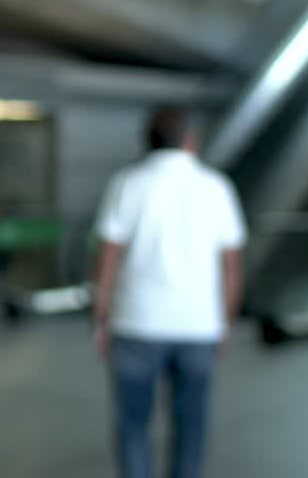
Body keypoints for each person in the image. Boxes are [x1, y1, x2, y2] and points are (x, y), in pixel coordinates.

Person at [92, 106, 245, 478]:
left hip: (135, 323)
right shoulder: (216, 186)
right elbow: (230, 263)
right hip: (198, 325)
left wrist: (101, 315)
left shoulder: (127, 183)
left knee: (132, 425)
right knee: (191, 427)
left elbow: (108, 256)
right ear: (190, 140)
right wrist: (226, 320)